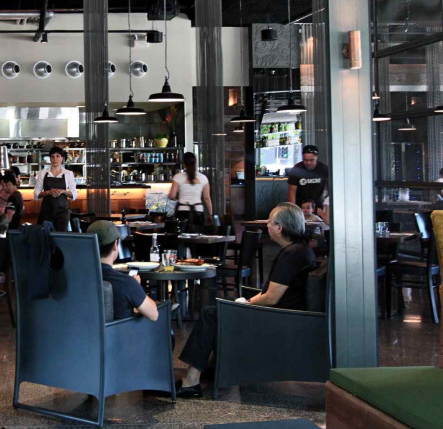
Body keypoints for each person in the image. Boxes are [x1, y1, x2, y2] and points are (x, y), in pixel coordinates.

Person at [175, 202, 317, 398]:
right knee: (222, 305)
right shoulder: (299, 250)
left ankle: (192, 380)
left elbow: (271, 298)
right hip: (283, 315)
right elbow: (271, 294)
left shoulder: (292, 255)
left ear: (279, 227)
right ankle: (211, 370)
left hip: (278, 320)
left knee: (211, 313)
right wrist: (243, 302)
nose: (267, 224)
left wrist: (246, 304)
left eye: (270, 221)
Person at [88, 221, 159, 322]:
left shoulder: (78, 278)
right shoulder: (126, 283)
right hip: (124, 331)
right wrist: (136, 287)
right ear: (115, 245)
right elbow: (154, 315)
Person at [34, 146, 77, 232]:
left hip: (62, 213)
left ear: (62, 158)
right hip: (46, 212)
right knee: (45, 237)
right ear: (50, 159)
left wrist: (63, 191)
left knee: (60, 237)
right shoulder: (43, 173)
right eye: (52, 156)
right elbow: (36, 195)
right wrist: (49, 192)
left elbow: (74, 195)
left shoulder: (68, 173)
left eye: (57, 156)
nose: (55, 159)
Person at [169, 152, 213, 229]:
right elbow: (207, 198)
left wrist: (177, 198)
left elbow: (172, 195)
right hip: (198, 211)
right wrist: (210, 214)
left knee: (182, 235)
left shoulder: (177, 177)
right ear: (195, 162)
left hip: (182, 211)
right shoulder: (203, 178)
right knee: (198, 235)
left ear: (184, 164)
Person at [287, 145, 329, 209]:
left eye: (311, 160)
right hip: (301, 206)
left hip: (319, 205)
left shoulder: (324, 169)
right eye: (305, 160)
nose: (308, 163)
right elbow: (292, 191)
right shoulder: (297, 169)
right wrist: (293, 209)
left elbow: (330, 188)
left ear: (317, 157)